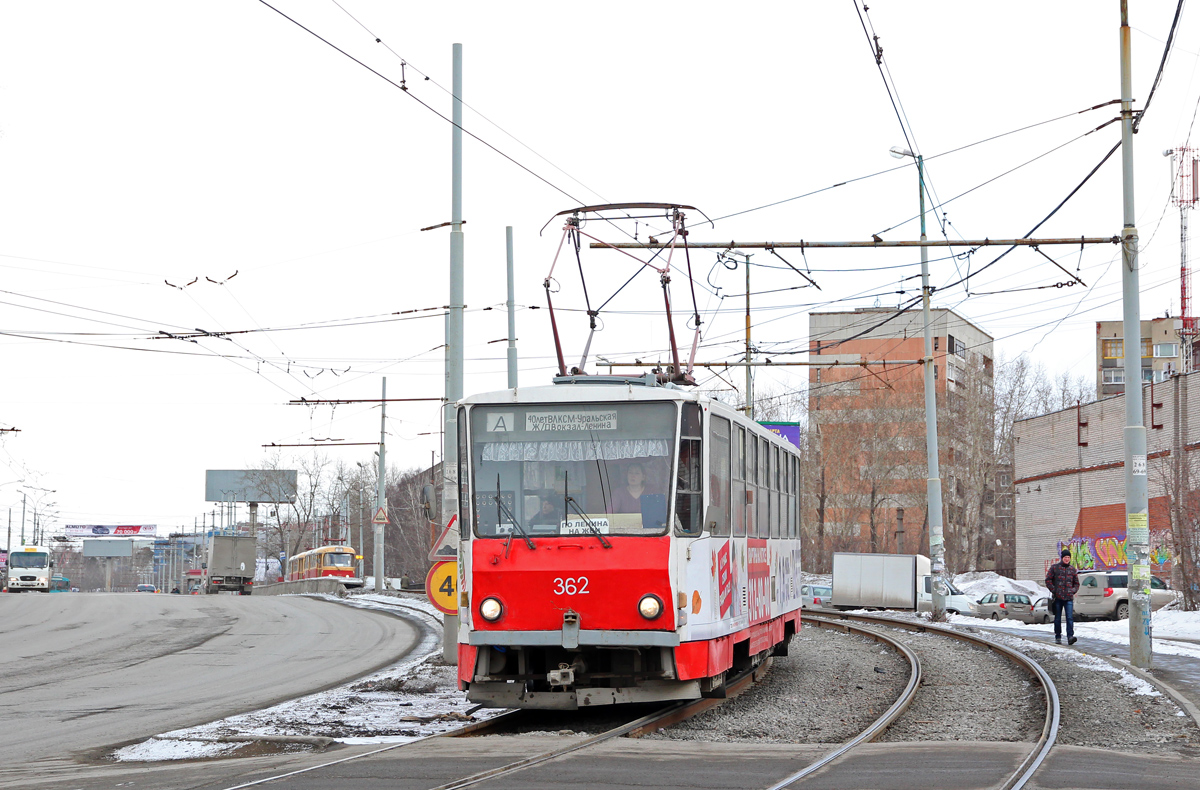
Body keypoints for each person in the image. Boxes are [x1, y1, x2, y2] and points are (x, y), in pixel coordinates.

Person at [1045, 549, 1080, 645]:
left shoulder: (1072, 569)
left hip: (1068, 597)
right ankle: (1058, 636)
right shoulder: (1055, 568)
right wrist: (1054, 590)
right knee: (1058, 618)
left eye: (1068, 557)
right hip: (1058, 598)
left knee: (1069, 617)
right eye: (1065, 557)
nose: (1067, 559)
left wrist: (1073, 591)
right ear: (1062, 558)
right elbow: (1048, 580)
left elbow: (1076, 583)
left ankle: (1070, 637)